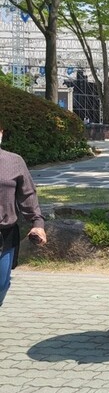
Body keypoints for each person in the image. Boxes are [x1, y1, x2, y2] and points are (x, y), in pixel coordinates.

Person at [0, 119, 47, 307]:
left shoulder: (14, 161)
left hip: (5, 235)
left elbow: (28, 195)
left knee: (2, 284)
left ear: (1, 133)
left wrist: (38, 224)